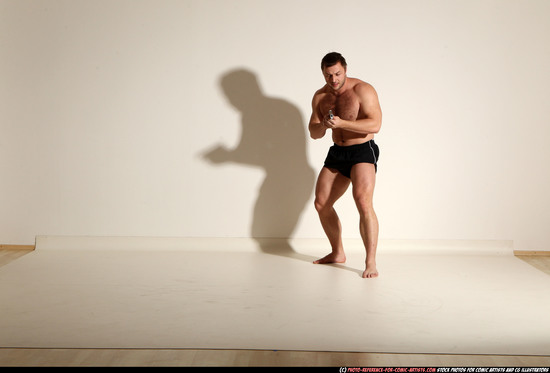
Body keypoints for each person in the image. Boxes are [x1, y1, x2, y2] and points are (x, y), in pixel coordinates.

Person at [308, 52, 382, 278]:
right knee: (321, 203)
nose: (333, 79)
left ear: (345, 69)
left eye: (337, 73)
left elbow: (376, 124)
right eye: (328, 75)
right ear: (323, 73)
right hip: (337, 152)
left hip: (362, 150)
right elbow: (313, 133)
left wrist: (343, 122)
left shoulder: (362, 90)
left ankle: (370, 262)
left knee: (362, 201)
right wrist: (325, 125)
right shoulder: (320, 97)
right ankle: (337, 252)